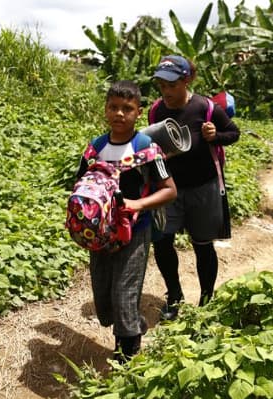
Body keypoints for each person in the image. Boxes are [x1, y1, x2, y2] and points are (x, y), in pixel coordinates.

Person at [74, 80, 177, 362]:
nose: (120, 114)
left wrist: (136, 205)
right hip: (100, 237)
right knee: (104, 298)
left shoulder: (145, 147)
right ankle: (129, 329)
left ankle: (127, 356)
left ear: (139, 112)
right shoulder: (95, 148)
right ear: (106, 110)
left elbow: (170, 190)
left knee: (124, 294)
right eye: (114, 107)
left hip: (135, 232)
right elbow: (80, 186)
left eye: (127, 109)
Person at [148, 55, 240, 321]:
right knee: (163, 241)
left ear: (187, 80)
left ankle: (206, 300)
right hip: (169, 187)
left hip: (204, 186)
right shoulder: (156, 110)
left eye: (172, 85)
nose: (166, 92)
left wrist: (216, 136)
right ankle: (174, 296)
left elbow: (234, 133)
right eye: (162, 86)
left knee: (202, 245)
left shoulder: (207, 108)